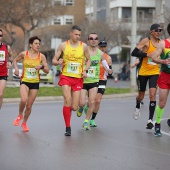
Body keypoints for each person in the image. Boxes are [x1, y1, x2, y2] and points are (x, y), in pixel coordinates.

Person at [52, 25, 91, 136]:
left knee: (74, 107)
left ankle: (71, 112)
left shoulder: (84, 46)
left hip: (78, 79)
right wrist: (56, 62)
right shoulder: (63, 45)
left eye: (79, 35)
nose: (78, 37)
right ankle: (68, 127)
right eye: (76, 34)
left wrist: (85, 70)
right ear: (71, 34)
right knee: (67, 99)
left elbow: (89, 60)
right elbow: (55, 58)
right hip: (66, 76)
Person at [13, 36, 49, 132]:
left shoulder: (41, 56)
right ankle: (20, 114)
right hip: (25, 80)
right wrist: (16, 68)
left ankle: (24, 123)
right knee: (24, 99)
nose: (38, 45)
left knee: (29, 105)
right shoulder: (24, 54)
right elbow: (15, 60)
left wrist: (41, 67)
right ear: (30, 45)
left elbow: (47, 70)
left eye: (39, 44)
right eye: (36, 43)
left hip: (35, 83)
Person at [76, 34, 112, 130]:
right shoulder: (83, 51)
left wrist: (108, 69)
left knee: (92, 102)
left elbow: (105, 63)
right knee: (82, 103)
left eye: (96, 39)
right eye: (91, 38)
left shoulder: (100, 53)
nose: (93, 40)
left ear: (97, 40)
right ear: (88, 40)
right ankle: (81, 107)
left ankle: (86, 121)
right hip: (83, 80)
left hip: (94, 80)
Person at [131, 23, 162, 129]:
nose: (158, 33)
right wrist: (146, 55)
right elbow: (134, 52)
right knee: (141, 95)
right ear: (151, 32)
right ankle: (138, 104)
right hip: (143, 72)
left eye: (160, 31)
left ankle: (150, 120)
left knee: (152, 94)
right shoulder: (146, 41)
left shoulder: (161, 43)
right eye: (156, 31)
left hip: (155, 72)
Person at [148, 23, 170, 136]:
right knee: (162, 103)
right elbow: (154, 57)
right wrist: (163, 61)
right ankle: (157, 124)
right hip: (165, 76)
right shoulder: (163, 44)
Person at [0, 28, 13, 110]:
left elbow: (11, 56)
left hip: (3, 74)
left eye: (0, 35)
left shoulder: (6, 47)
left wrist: (10, 62)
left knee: (0, 94)